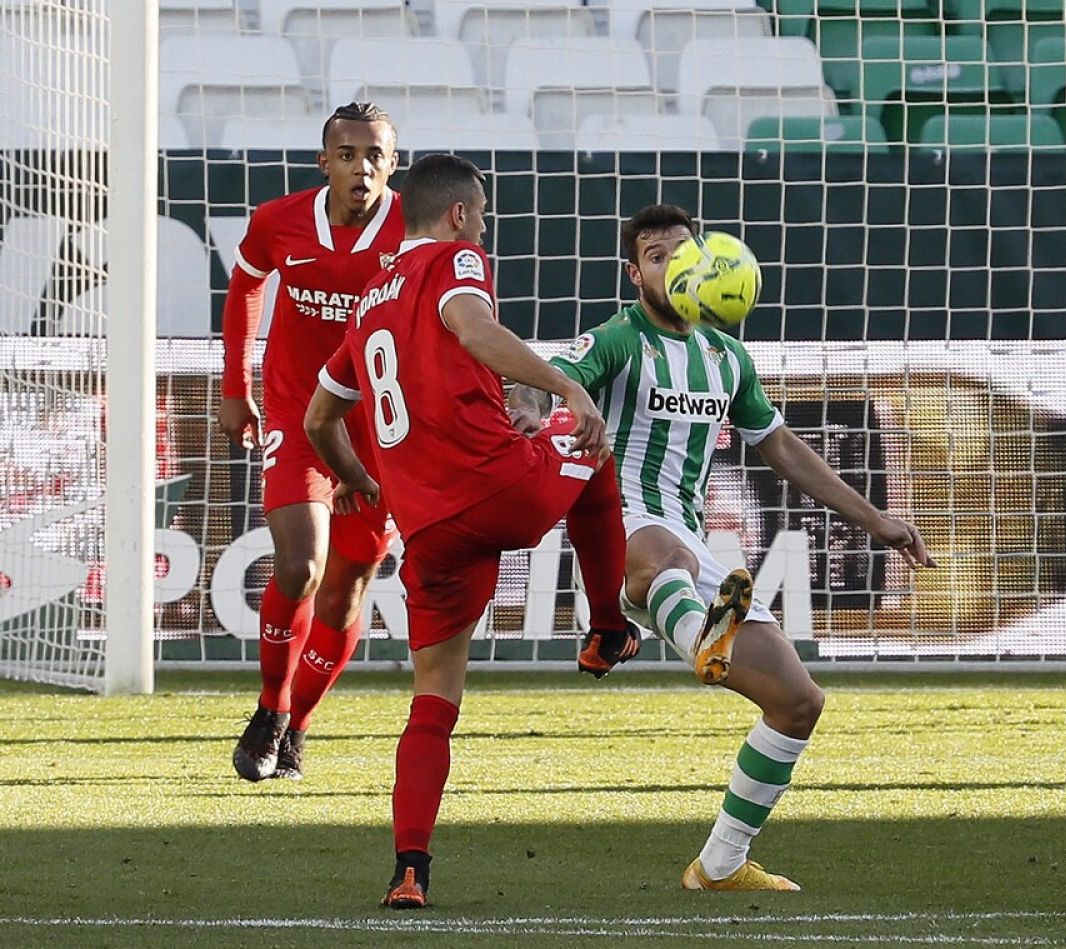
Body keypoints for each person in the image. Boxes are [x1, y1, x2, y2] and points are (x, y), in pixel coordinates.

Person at [547, 204, 937, 892]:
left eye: (685, 253)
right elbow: (551, 367)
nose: (675, 265)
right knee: (669, 554)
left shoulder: (727, 358)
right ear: (633, 273)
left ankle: (720, 863)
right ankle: (703, 639)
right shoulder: (616, 338)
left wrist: (876, 518)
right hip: (620, 526)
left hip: (687, 545)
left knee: (798, 700)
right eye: (658, 255)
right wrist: (541, 399)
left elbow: (782, 446)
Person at [304, 153, 639, 909]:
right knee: (596, 450)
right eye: (481, 216)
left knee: (434, 700)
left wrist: (358, 479)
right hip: (499, 489)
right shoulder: (455, 260)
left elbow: (318, 418)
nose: (482, 228)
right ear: (459, 215)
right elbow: (472, 325)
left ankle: (410, 869)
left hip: (430, 531)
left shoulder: (368, 303)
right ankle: (610, 629)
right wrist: (563, 387)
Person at [221, 102, 407, 781]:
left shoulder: (414, 231)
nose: (362, 168)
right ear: (323, 160)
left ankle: (297, 727)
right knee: (299, 565)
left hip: (379, 428)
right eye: (348, 154)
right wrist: (234, 384)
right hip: (299, 416)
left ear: (394, 163)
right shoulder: (278, 221)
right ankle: (270, 709)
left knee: (347, 589)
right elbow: (245, 283)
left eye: (375, 156)